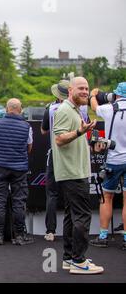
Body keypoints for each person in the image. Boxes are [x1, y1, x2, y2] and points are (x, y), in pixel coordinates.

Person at [52, 76, 104, 274]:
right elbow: (59, 139)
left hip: (73, 171)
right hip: (73, 173)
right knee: (82, 216)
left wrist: (91, 145)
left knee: (71, 217)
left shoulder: (74, 110)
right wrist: (79, 132)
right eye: (81, 88)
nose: (85, 91)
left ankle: (69, 258)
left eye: (87, 88)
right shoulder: (65, 110)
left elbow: (72, 139)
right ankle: (79, 261)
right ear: (70, 90)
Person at [41, 80, 89, 241]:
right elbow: (86, 127)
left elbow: (43, 130)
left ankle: (50, 230)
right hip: (73, 157)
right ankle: (75, 254)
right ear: (69, 91)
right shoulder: (80, 108)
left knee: (52, 194)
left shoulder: (50, 108)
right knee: (73, 204)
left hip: (54, 155)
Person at [0, 98, 34, 246]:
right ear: (21, 109)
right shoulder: (27, 127)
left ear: (6, 109)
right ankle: (19, 236)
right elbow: (29, 147)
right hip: (20, 169)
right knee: (19, 202)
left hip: (1, 168)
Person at [89, 82, 126, 250]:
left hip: (113, 160)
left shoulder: (110, 108)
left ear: (116, 95)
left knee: (106, 198)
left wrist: (93, 94)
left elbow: (95, 106)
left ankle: (103, 236)